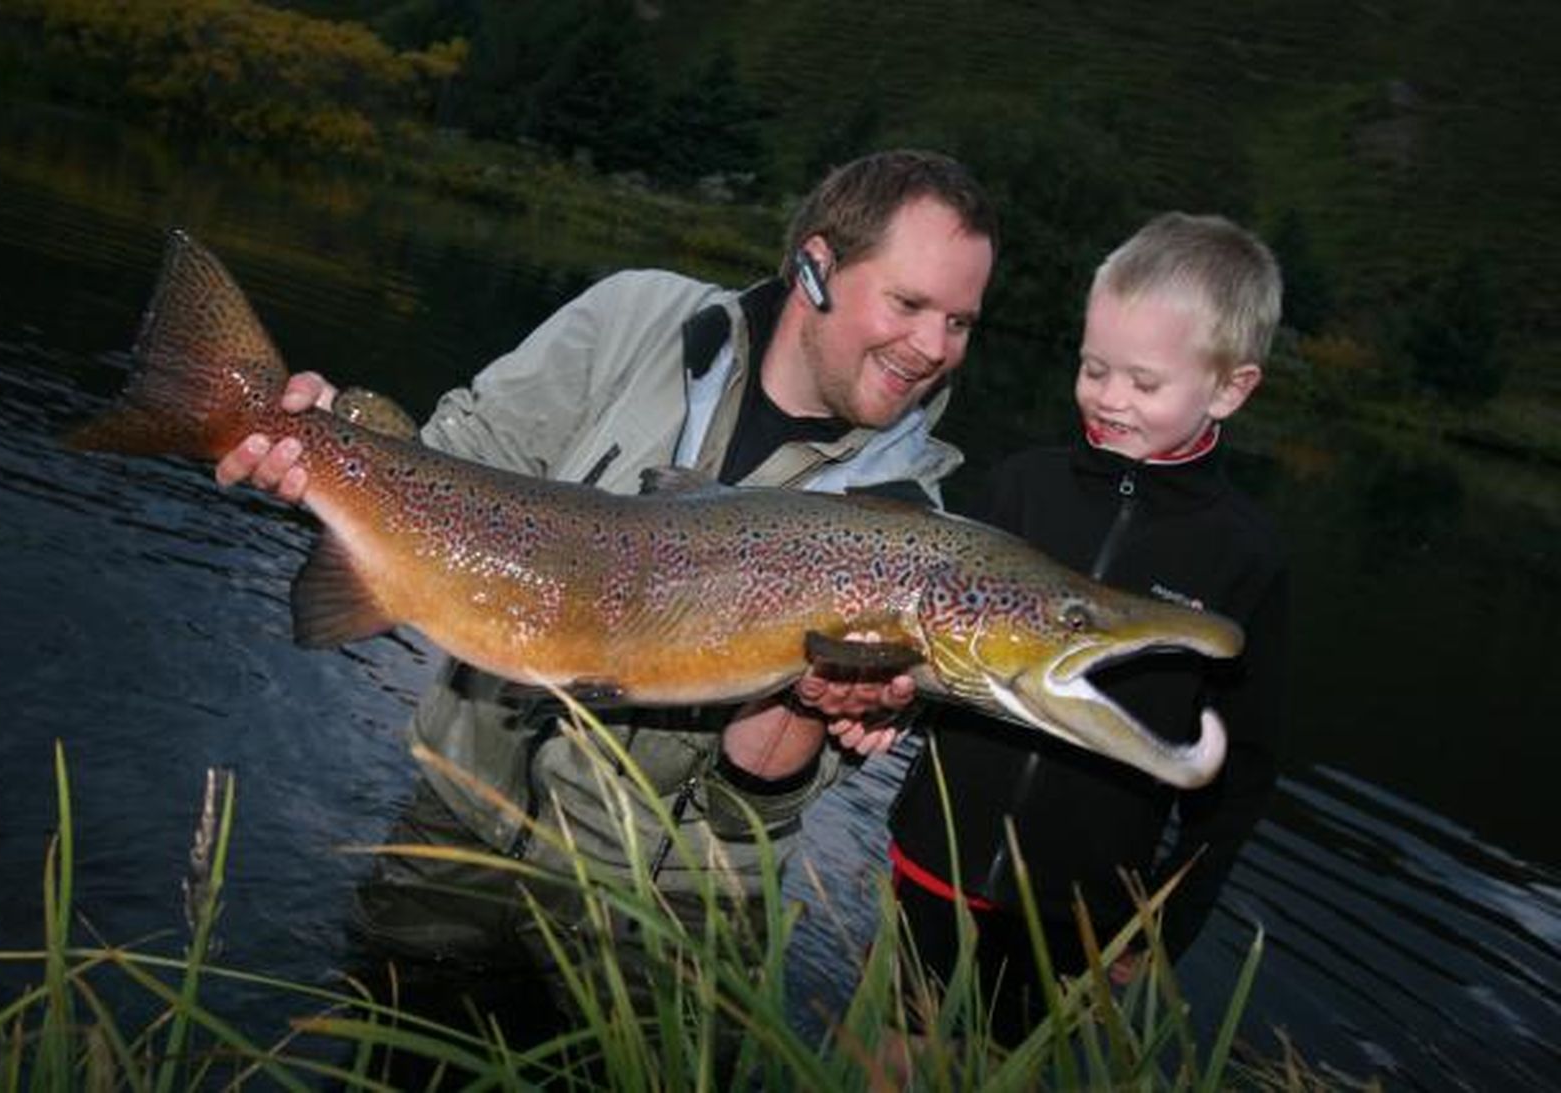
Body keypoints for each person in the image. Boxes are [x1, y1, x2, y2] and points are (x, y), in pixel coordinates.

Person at [215, 150, 999, 1024]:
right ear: (816, 266)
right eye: (909, 303)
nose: (933, 348)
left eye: (961, 322)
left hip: (657, 916)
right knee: (384, 1051)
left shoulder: (907, 536)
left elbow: (755, 807)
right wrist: (326, 447)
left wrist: (811, 707)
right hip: (458, 824)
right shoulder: (637, 318)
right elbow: (456, 463)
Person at [886, 211, 1289, 1043]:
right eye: (1093, 367)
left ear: (1229, 388)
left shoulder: (1245, 555)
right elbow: (927, 636)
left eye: (1143, 384)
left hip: (1076, 907)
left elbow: (1240, 772)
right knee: (894, 1049)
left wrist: (1169, 918)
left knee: (1008, 1064)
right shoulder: (1023, 485)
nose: (1108, 398)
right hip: (938, 856)